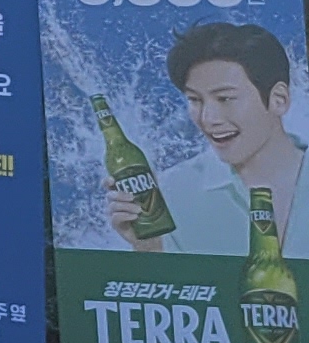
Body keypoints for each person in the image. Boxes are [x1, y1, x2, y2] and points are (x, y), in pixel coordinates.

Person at [107, 23, 308, 255]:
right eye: (195, 100)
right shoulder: (171, 193)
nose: (208, 119)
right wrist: (147, 246)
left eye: (225, 99)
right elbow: (169, 277)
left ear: (278, 99)